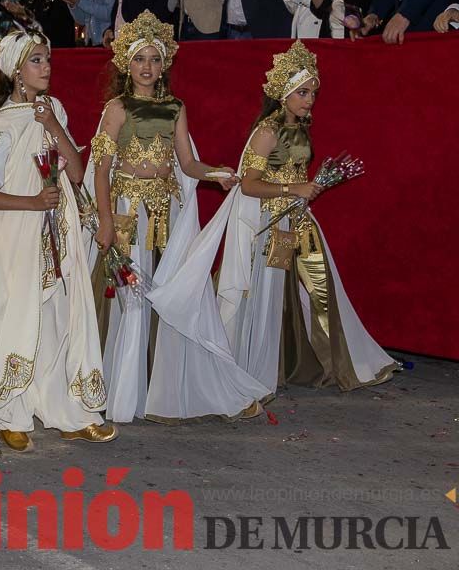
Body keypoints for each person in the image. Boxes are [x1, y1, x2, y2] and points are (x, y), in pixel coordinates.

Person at [148, 41, 399, 398]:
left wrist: (305, 190)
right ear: (284, 93)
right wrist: (295, 189)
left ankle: (333, 362)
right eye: (301, 92)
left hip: (299, 220)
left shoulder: (299, 127)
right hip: (272, 224)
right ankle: (250, 368)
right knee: (265, 296)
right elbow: (248, 185)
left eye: (312, 92)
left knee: (320, 291)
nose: (309, 99)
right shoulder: (268, 132)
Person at [83, 12, 254, 423]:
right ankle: (123, 388)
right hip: (128, 210)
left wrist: (216, 174)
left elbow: (188, 163)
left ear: (164, 65)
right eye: (140, 59)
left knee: (171, 289)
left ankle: (166, 387)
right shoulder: (118, 107)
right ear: (127, 64)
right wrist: (105, 222)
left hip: (167, 210)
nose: (147, 67)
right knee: (131, 295)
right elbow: (102, 168)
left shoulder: (175, 107)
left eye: (154, 59)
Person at [0, 25, 115, 450]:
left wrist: (51, 124)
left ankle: (68, 409)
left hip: (57, 232)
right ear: (16, 73)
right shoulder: (2, 124)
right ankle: (6, 409)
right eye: (36, 61)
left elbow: (77, 173)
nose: (46, 67)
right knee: (18, 314)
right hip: (17, 234)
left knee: (60, 315)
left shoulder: (52, 109)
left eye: (47, 59)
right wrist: (32, 203)